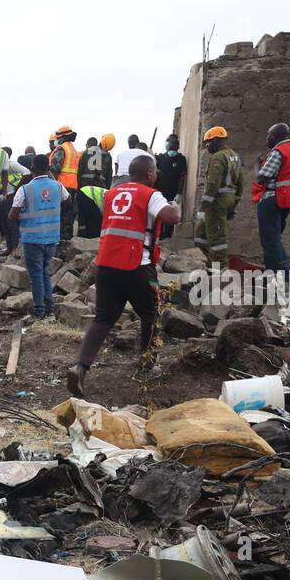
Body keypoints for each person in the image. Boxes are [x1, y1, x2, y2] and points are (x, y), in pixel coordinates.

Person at [68, 154, 181, 399]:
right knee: (152, 315)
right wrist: (177, 207)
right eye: (155, 173)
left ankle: (80, 367)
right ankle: (146, 365)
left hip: (106, 265)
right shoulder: (151, 194)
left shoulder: (112, 193)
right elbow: (171, 217)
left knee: (102, 319)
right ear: (150, 174)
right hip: (137, 266)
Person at [11, 155, 65, 320]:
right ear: (48, 169)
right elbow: (68, 200)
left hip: (33, 239)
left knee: (36, 275)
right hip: (51, 237)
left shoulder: (25, 189)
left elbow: (12, 215)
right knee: (45, 273)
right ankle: (49, 310)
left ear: (32, 170)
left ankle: (40, 312)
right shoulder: (57, 186)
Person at [255, 122, 290, 274]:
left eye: (268, 136)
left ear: (277, 136)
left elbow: (262, 177)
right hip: (287, 200)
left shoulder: (279, 151)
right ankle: (285, 273)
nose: (266, 140)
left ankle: (277, 277)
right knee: (275, 238)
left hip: (272, 199)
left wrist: (257, 165)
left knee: (270, 241)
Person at [194, 126, 242, 269]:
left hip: (217, 201)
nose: (206, 146)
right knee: (200, 235)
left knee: (217, 238)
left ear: (216, 141)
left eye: (208, 142)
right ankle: (209, 262)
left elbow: (213, 184)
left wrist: (204, 205)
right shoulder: (235, 156)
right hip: (228, 199)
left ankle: (221, 268)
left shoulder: (218, 157)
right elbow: (241, 181)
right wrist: (236, 202)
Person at [49, 125, 81, 240]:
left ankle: (58, 246)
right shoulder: (73, 149)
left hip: (61, 188)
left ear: (61, 137)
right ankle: (66, 245)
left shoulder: (62, 149)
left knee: (59, 218)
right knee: (68, 219)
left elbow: (54, 170)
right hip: (73, 187)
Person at [155, 135, 188, 240]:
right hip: (161, 191)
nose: (172, 149)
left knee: (170, 216)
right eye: (171, 146)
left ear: (178, 147)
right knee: (160, 214)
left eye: (174, 147)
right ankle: (158, 237)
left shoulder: (181, 159)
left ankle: (167, 238)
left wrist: (179, 193)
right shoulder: (160, 158)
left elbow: (182, 176)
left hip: (173, 192)